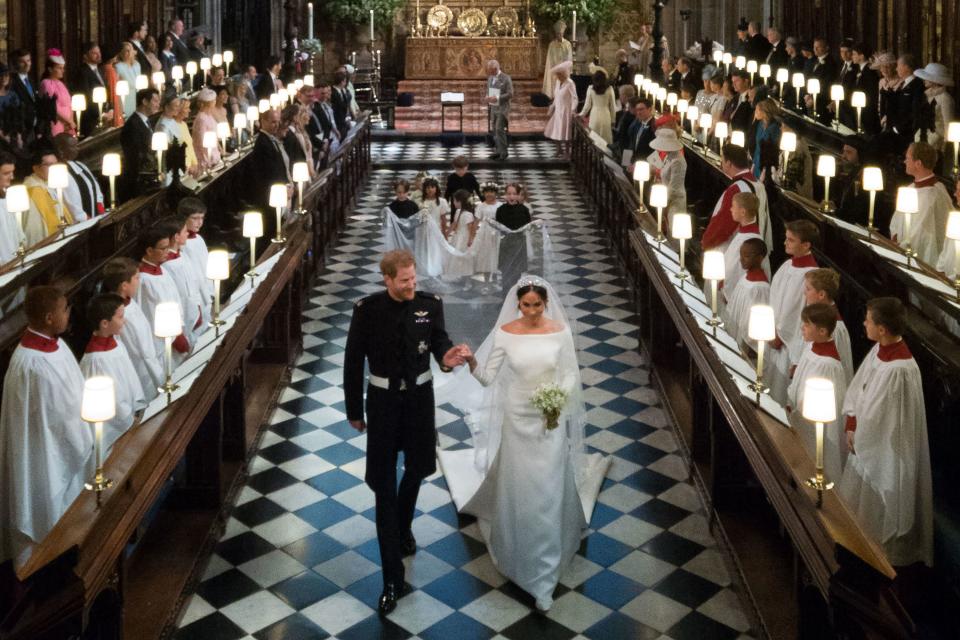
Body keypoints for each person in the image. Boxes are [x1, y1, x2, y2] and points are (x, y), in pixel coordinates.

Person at [446, 277, 605, 612]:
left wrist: (557, 398)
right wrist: (472, 360)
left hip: (548, 418)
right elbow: (488, 378)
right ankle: (518, 551)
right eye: (526, 305)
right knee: (521, 486)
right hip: (517, 418)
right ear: (518, 304)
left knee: (547, 487)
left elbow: (570, 374)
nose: (532, 311)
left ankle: (545, 572)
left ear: (546, 303)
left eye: (537, 305)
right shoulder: (506, 333)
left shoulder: (559, 331)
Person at [343, 250, 467, 614]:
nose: (412, 285)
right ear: (387, 279)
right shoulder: (367, 311)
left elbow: (439, 340)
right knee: (383, 486)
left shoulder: (430, 304)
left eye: (414, 278)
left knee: (416, 470)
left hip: (418, 402)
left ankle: (404, 525)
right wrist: (354, 409)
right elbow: (353, 361)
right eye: (404, 281)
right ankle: (391, 579)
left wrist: (446, 357)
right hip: (382, 404)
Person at [0, 286, 92, 566]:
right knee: (49, 512)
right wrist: (85, 439)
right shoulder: (33, 364)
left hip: (58, 442)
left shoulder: (56, 345)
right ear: (50, 317)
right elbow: (60, 417)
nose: (69, 313)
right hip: (45, 452)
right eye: (65, 309)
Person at [838, 297, 933, 568]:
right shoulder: (879, 350)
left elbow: (889, 420)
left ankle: (877, 559)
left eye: (868, 320)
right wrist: (853, 422)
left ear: (882, 328)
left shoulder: (901, 369)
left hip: (885, 453)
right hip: (865, 442)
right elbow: (860, 388)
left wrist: (861, 433)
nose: (864, 323)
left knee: (878, 516)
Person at [786, 303, 849, 483]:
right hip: (798, 414)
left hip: (815, 426)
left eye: (806, 325)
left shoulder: (828, 364)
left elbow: (815, 402)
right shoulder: (812, 348)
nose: (801, 328)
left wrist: (797, 411)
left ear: (822, 331)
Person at [79, 293, 146, 453]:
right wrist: (129, 419)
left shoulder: (115, 342)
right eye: (121, 317)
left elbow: (129, 377)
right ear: (104, 323)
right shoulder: (96, 360)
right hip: (116, 428)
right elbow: (113, 399)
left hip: (131, 415)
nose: (125, 321)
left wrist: (137, 407)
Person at [768, 220, 820, 403]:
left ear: (806, 245)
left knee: (781, 396)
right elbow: (774, 299)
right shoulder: (787, 266)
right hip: (774, 336)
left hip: (789, 343)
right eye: (785, 238)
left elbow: (796, 313)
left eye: (791, 240)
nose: (785, 243)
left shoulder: (812, 276)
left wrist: (779, 335)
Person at [100, 257, 164, 401]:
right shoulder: (124, 314)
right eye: (136, 278)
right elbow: (144, 352)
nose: (139, 282)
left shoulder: (127, 304)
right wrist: (162, 382)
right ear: (124, 285)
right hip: (144, 376)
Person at [702, 144, 770, 253]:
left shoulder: (737, 189)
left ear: (729, 163)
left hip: (736, 250)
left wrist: (706, 242)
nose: (721, 163)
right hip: (756, 247)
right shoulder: (759, 185)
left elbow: (724, 224)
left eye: (722, 160)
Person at [890, 142, 951, 266]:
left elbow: (920, 234)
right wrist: (895, 237)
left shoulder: (933, 195)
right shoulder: (911, 188)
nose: (904, 162)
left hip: (921, 261)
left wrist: (901, 247)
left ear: (918, 163)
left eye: (907, 158)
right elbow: (897, 221)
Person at [136, 225, 190, 359]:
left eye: (168, 246)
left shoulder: (162, 269)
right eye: (163, 248)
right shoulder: (144, 280)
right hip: (163, 341)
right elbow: (151, 314)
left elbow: (175, 299)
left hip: (177, 330)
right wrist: (175, 337)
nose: (168, 251)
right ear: (149, 250)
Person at [161, 217, 206, 346]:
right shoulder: (167, 265)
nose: (188, 234)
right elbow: (179, 295)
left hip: (194, 310)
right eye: (185, 231)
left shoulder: (181, 255)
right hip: (184, 316)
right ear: (176, 237)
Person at [801, 268, 853, 379]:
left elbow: (834, 369)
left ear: (821, 294)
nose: (804, 292)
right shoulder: (816, 315)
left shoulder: (835, 328)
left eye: (808, 289)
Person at [22, 147, 76, 246]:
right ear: (35, 168)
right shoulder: (33, 190)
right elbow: (34, 231)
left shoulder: (46, 184)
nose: (54, 168)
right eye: (49, 165)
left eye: (56, 164)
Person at [721, 238, 770, 345]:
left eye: (747, 256)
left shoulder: (760, 287)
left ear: (760, 258)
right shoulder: (745, 277)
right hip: (734, 332)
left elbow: (756, 322)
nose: (741, 259)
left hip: (745, 341)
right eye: (741, 255)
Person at [722, 192, 771, 297]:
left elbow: (737, 271)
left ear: (743, 212)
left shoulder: (750, 241)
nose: (731, 209)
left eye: (733, 206)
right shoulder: (743, 234)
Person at [913, 62, 955, 171]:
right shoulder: (927, 96)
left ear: (935, 81)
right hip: (922, 137)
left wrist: (946, 147)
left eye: (927, 78)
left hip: (936, 141)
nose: (924, 80)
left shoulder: (945, 98)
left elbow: (948, 124)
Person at [120, 88, 160, 202]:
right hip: (138, 182)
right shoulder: (132, 125)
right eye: (155, 101)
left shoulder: (145, 121)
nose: (158, 105)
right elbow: (136, 156)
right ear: (145, 102)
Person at [54, 133, 105, 219]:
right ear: (61, 150)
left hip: (96, 217)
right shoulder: (60, 173)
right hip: (81, 223)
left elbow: (96, 188)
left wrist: (100, 211)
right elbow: (71, 204)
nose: (78, 148)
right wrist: (88, 220)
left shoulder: (80, 165)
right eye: (73, 146)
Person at [495, 184, 532, 291]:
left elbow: (527, 226)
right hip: (506, 245)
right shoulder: (500, 210)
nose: (511, 196)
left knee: (516, 273)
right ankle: (505, 296)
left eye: (514, 194)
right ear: (505, 195)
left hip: (519, 245)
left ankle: (514, 294)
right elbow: (499, 227)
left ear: (518, 195)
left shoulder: (524, 210)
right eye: (509, 194)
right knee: (505, 272)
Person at [647, 128, 686, 227]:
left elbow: (674, 188)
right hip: (666, 199)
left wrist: (663, 203)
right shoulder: (668, 157)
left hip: (674, 202)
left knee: (673, 232)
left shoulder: (678, 161)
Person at [442, 189, 478, 282]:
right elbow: (454, 223)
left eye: (454, 200)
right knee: (458, 258)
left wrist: (470, 240)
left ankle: (468, 280)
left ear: (460, 201)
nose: (453, 202)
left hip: (465, 239)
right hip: (458, 237)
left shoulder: (468, 214)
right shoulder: (458, 211)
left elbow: (471, 229)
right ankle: (462, 276)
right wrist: (447, 233)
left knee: (465, 258)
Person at [75, 42, 110, 136]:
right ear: (85, 56)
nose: (99, 55)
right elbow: (86, 96)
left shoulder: (100, 70)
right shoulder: (82, 72)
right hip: (91, 119)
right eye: (94, 53)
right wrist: (100, 114)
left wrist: (108, 109)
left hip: (104, 115)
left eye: (99, 52)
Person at [544, 61, 577, 159]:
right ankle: (559, 150)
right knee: (554, 131)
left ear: (563, 74)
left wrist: (573, 110)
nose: (557, 77)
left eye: (559, 75)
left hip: (566, 111)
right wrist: (552, 107)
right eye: (556, 75)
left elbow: (575, 98)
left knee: (566, 134)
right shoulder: (558, 82)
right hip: (558, 111)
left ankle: (567, 152)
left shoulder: (570, 83)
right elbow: (556, 96)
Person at [39, 49, 75, 137]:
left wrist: (71, 120)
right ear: (50, 69)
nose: (63, 70)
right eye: (59, 68)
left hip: (67, 125)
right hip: (56, 123)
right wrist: (67, 121)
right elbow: (53, 107)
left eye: (63, 68)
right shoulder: (46, 83)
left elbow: (69, 104)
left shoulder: (61, 84)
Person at [579, 69, 617, 144]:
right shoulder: (610, 89)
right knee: (605, 136)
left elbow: (587, 106)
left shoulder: (590, 88)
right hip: (605, 114)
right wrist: (613, 120)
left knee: (594, 135)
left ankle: (594, 153)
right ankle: (605, 153)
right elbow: (613, 106)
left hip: (594, 114)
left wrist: (581, 115)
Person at [0, 152, 25, 263]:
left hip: (15, 262)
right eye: (6, 173)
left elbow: (16, 232)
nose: (12, 177)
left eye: (12, 172)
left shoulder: (8, 196)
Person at [486, 60, 513, 161]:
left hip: (503, 108)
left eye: (491, 70)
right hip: (493, 108)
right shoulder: (490, 78)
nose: (489, 72)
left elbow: (510, 94)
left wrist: (497, 98)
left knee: (499, 129)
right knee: (494, 130)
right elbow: (488, 90)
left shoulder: (506, 78)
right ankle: (498, 151)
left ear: (496, 68)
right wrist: (487, 97)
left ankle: (504, 152)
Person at [9, 49, 37, 140]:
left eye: (28, 60)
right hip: (21, 130)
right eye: (22, 62)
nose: (27, 64)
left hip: (33, 129)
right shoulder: (11, 83)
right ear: (15, 64)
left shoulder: (31, 80)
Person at [191, 88, 221, 172]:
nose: (215, 102)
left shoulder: (209, 115)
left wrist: (220, 149)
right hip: (206, 158)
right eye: (213, 101)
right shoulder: (201, 118)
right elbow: (201, 141)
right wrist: (210, 159)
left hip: (214, 154)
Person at [751, 98, 781, 179]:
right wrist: (753, 166)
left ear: (764, 112)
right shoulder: (760, 124)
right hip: (757, 162)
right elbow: (757, 147)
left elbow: (771, 152)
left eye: (757, 111)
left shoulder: (774, 128)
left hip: (767, 166)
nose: (755, 113)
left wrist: (764, 171)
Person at [542, 21, 572, 98]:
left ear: (563, 34)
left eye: (560, 34)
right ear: (555, 34)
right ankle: (554, 97)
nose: (559, 35)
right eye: (558, 34)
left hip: (564, 68)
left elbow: (569, 57)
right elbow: (549, 58)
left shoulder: (567, 44)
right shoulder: (552, 45)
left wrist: (565, 67)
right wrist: (554, 67)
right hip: (554, 67)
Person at [113, 42, 141, 119]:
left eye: (130, 50)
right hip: (125, 97)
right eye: (126, 51)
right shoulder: (118, 67)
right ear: (121, 53)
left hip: (136, 95)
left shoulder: (137, 65)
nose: (129, 53)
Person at [627, 97, 656, 168]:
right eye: (637, 110)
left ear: (649, 109)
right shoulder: (637, 123)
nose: (638, 113)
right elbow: (631, 144)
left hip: (645, 166)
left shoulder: (654, 126)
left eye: (641, 109)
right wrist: (626, 162)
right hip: (633, 163)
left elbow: (653, 152)